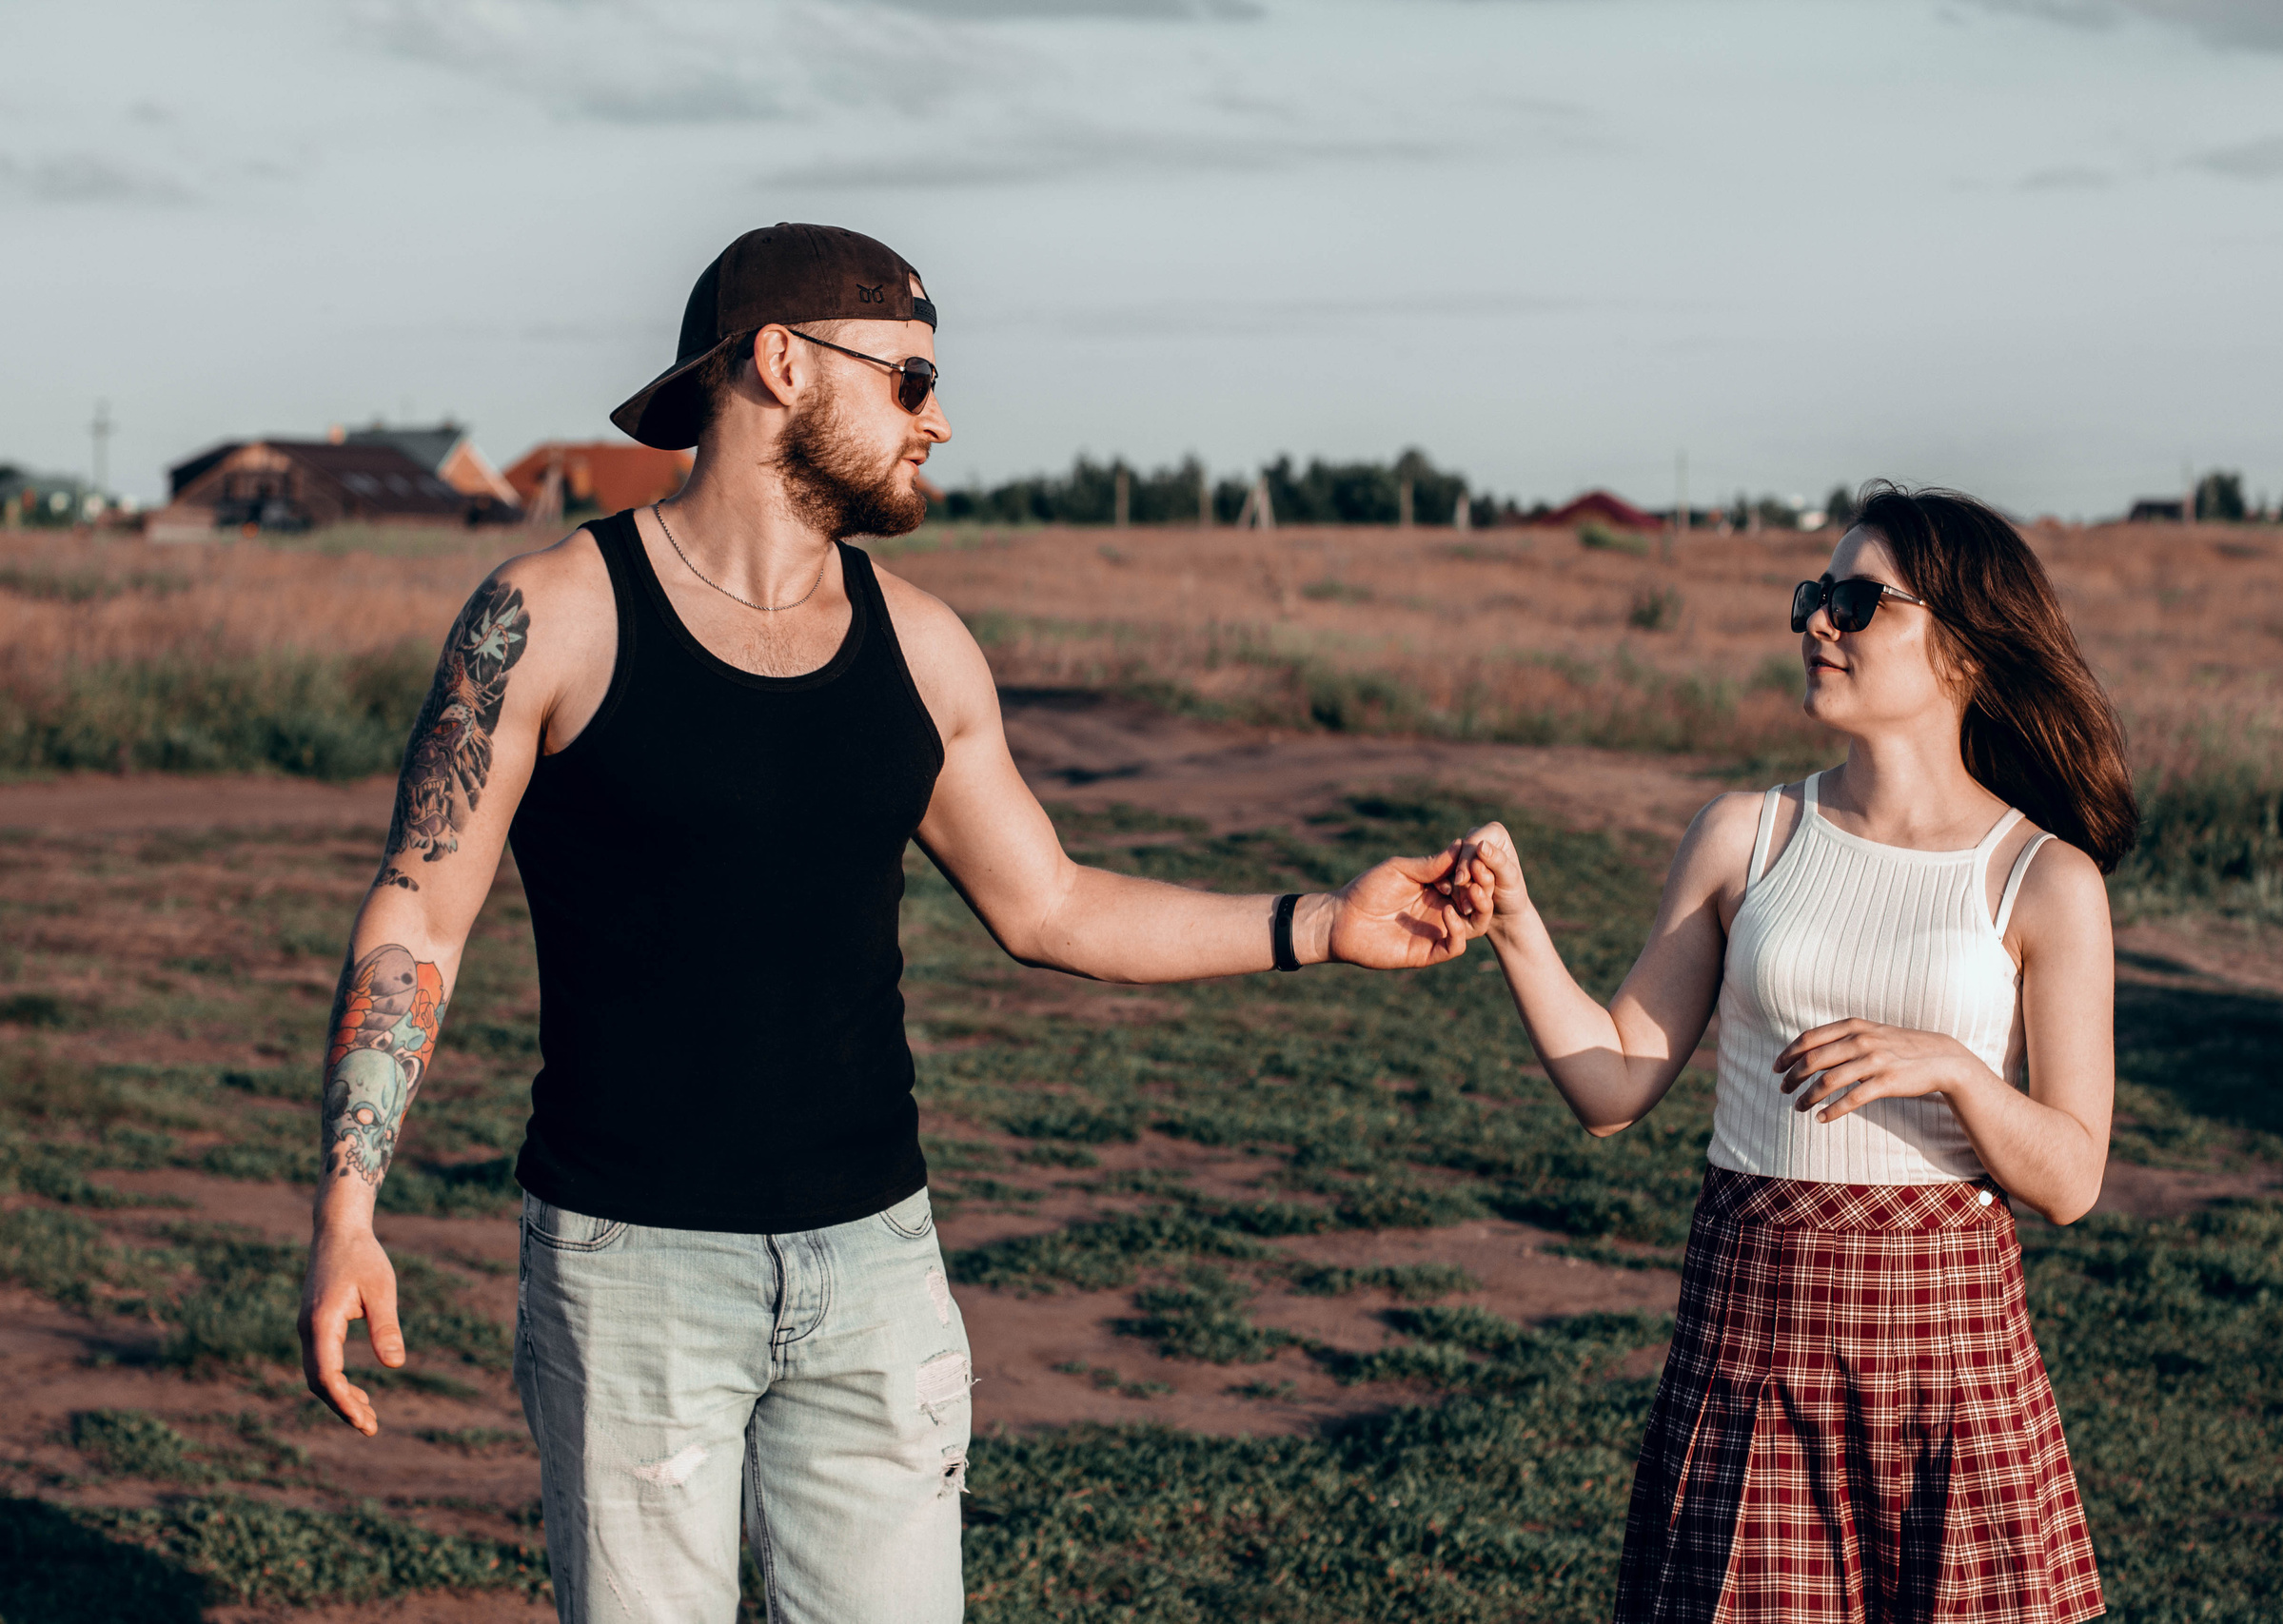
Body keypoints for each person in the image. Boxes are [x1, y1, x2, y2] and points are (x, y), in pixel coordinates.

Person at [295, 223, 1489, 1624]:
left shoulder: (922, 646)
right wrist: (348, 1200)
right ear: (783, 364)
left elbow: (1053, 903)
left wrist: (1321, 922)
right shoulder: (550, 616)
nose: (941, 417)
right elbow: (421, 912)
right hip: (630, 1276)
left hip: (876, 1268)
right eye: (911, 380)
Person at [1446, 483, 2128, 1623]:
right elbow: (1613, 1084)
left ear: (1962, 646)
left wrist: (1954, 1069)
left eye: (1858, 602)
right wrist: (1518, 928)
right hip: (1753, 1340)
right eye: (1815, 595)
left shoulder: (2044, 880)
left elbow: (2070, 1177)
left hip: (1946, 1369)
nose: (1818, 621)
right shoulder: (1746, 834)